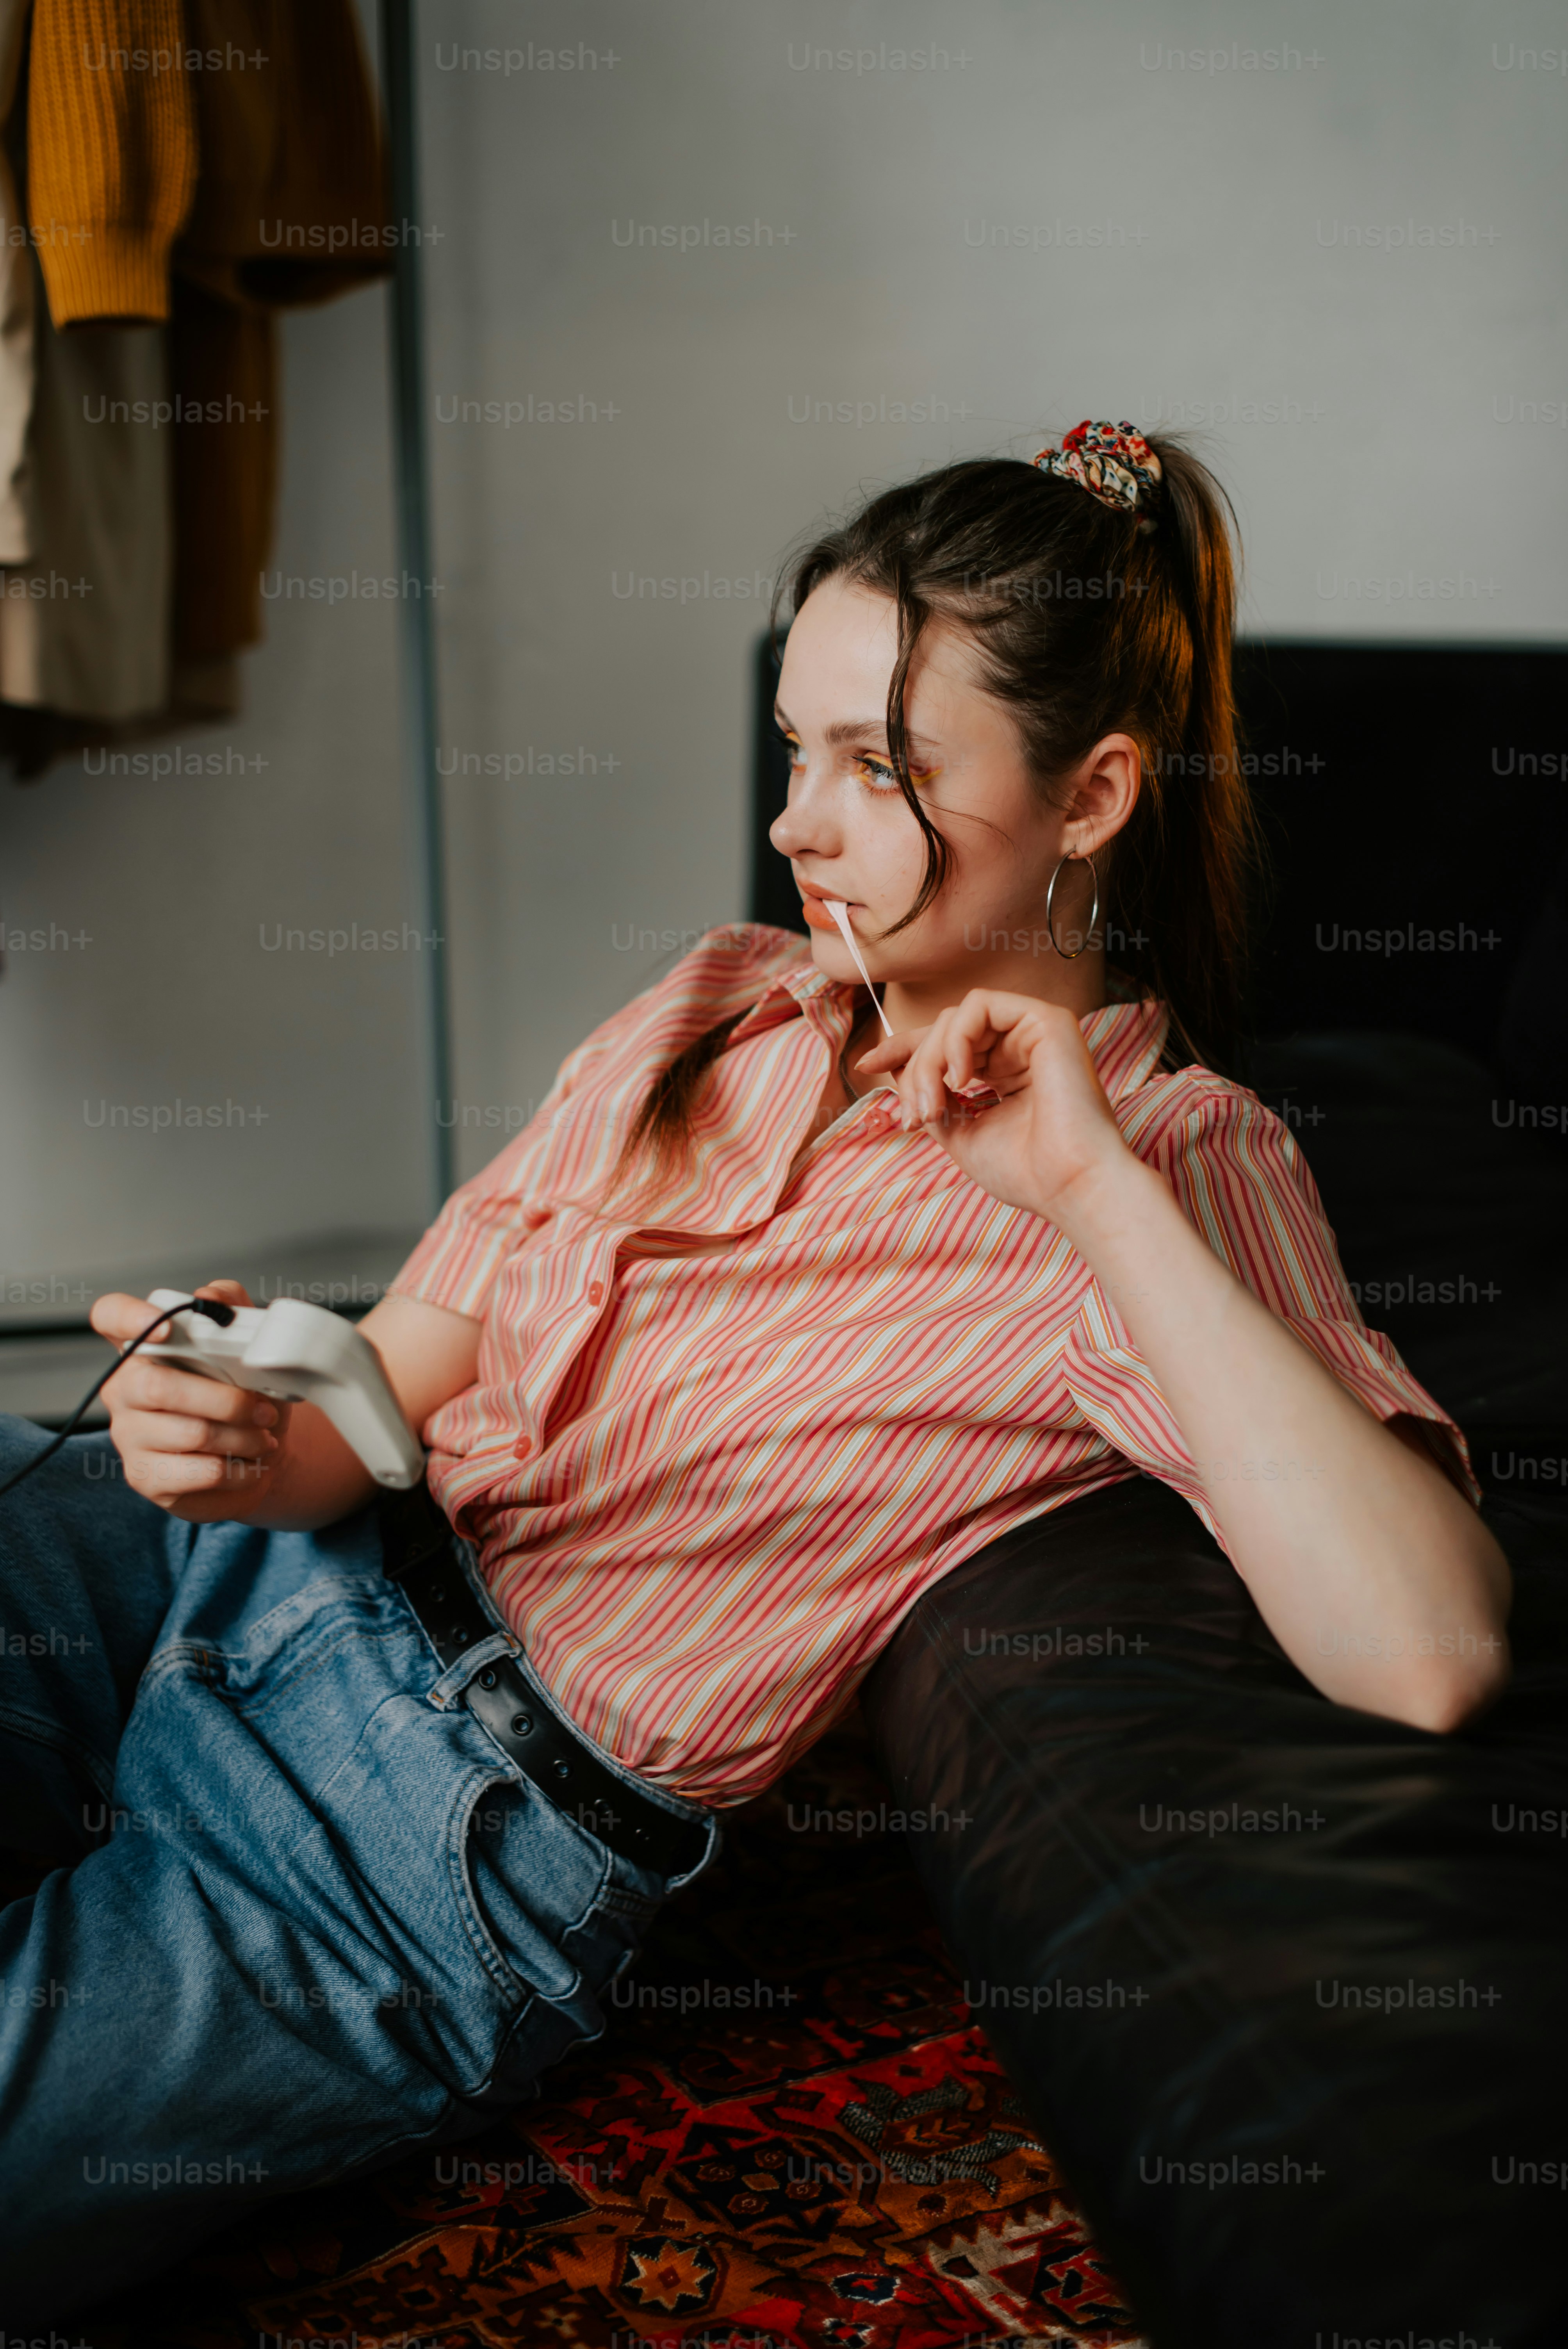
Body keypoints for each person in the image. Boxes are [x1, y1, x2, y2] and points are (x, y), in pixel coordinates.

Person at [0, 422, 1511, 2317]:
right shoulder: (713, 1003)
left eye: (876, 767)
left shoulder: (1177, 1162)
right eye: (795, 750)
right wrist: (230, 1436)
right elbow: (377, 1402)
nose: (798, 821)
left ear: (1092, 793)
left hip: (421, 1840)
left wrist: (1088, 1196)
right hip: (226, 1573)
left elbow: (1426, 1652)